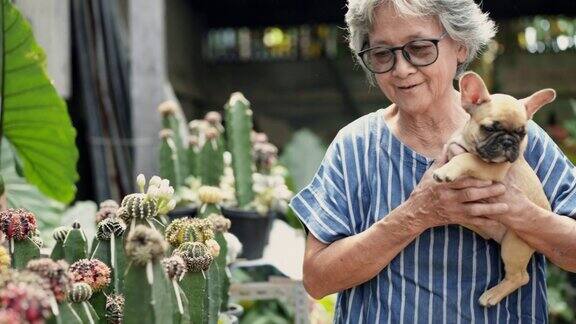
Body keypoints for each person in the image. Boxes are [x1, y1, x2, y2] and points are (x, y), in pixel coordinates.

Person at [289, 0, 576, 322]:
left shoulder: (518, 135)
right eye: (383, 54)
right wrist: (415, 214)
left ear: (462, 47)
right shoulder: (356, 146)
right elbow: (317, 279)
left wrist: (521, 213)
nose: (401, 69)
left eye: (420, 48)